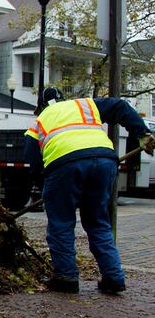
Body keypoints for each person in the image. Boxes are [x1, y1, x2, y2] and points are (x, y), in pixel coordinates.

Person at [25, 87, 155, 294]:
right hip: (105, 161)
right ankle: (114, 278)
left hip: (64, 166)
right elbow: (120, 106)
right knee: (98, 222)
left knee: (61, 224)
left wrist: (46, 189)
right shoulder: (84, 105)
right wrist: (142, 133)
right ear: (63, 99)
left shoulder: (40, 120)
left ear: (40, 106)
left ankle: (66, 278)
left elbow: (32, 161)